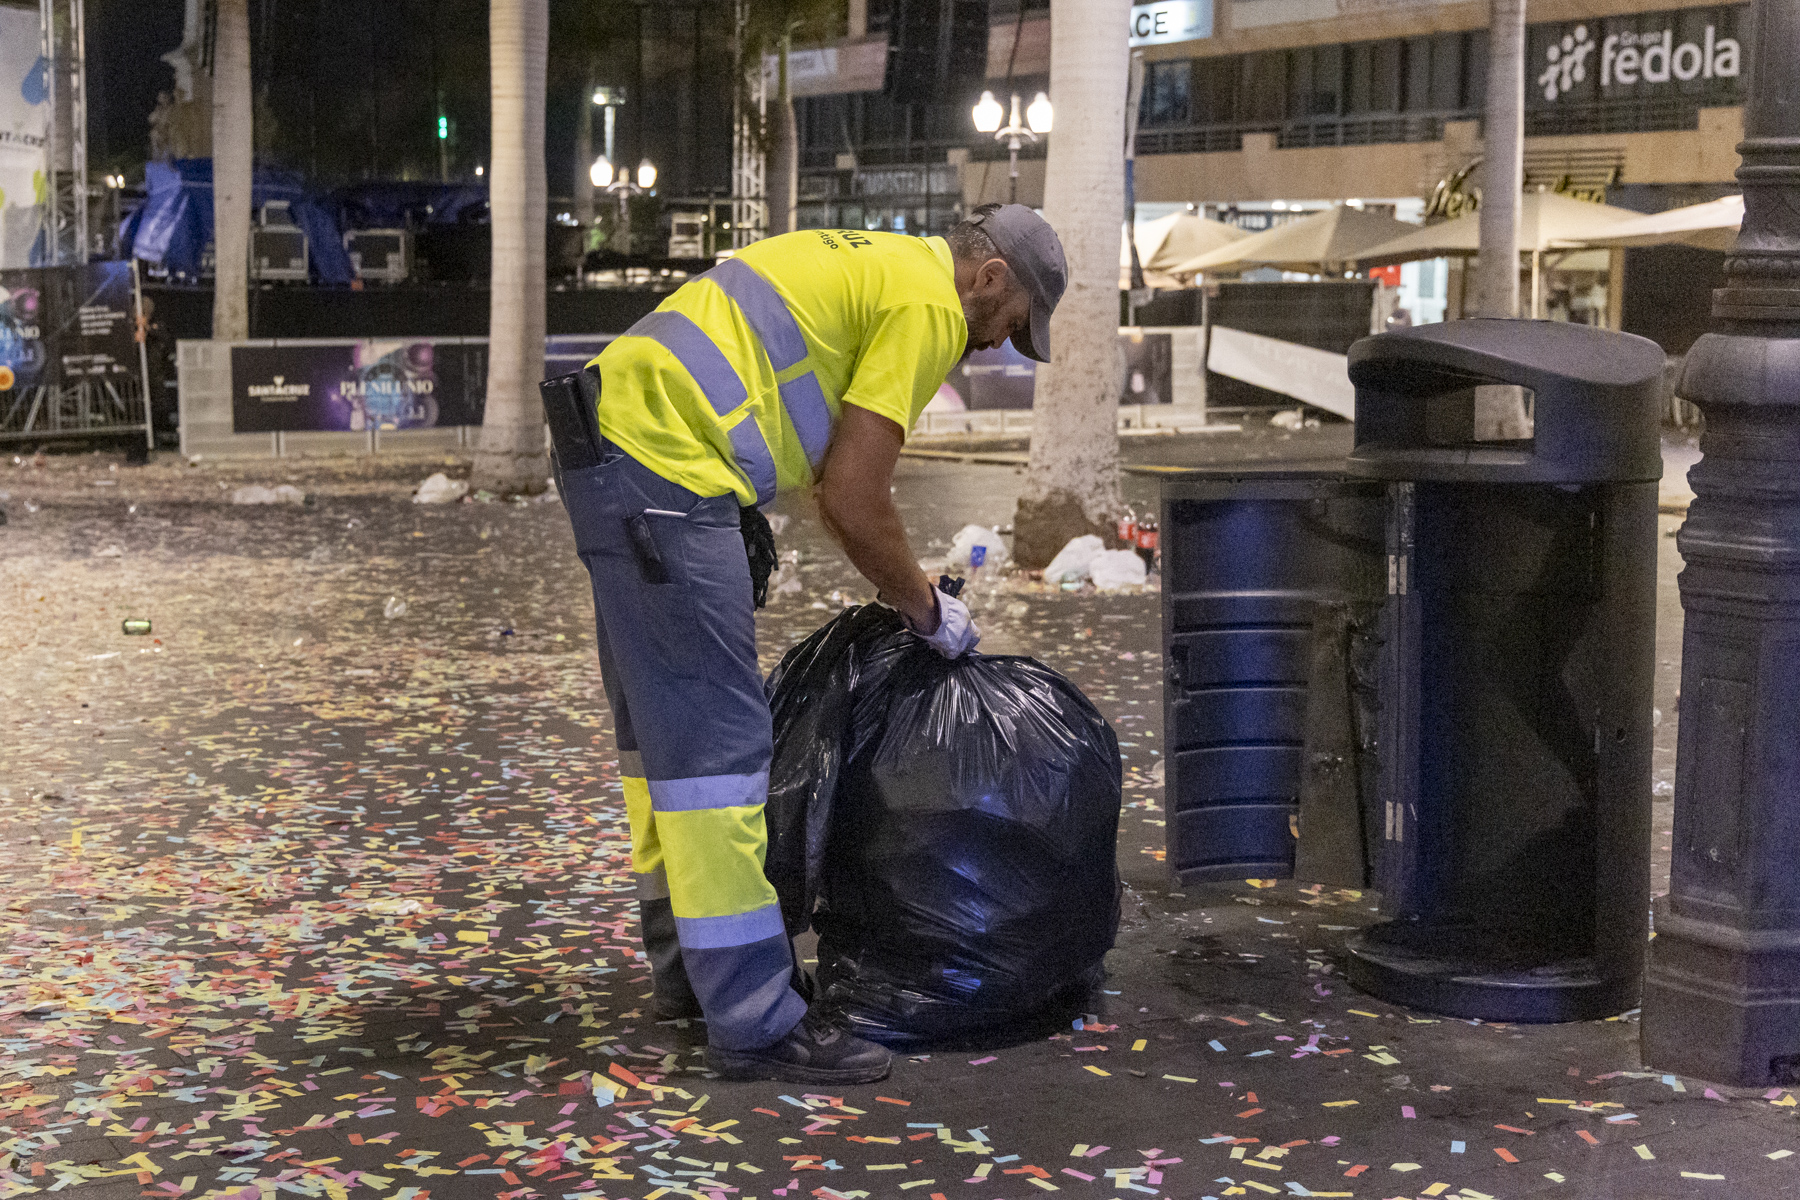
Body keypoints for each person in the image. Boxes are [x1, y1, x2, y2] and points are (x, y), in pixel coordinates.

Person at [548, 204, 1067, 1084]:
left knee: (662, 748)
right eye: (1012, 324)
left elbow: (800, 431)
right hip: (669, 470)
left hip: (613, 449)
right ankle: (754, 1020)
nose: (997, 346)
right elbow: (853, 496)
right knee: (716, 758)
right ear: (989, 278)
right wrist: (926, 611)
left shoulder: (877, 261)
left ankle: (692, 975)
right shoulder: (929, 306)